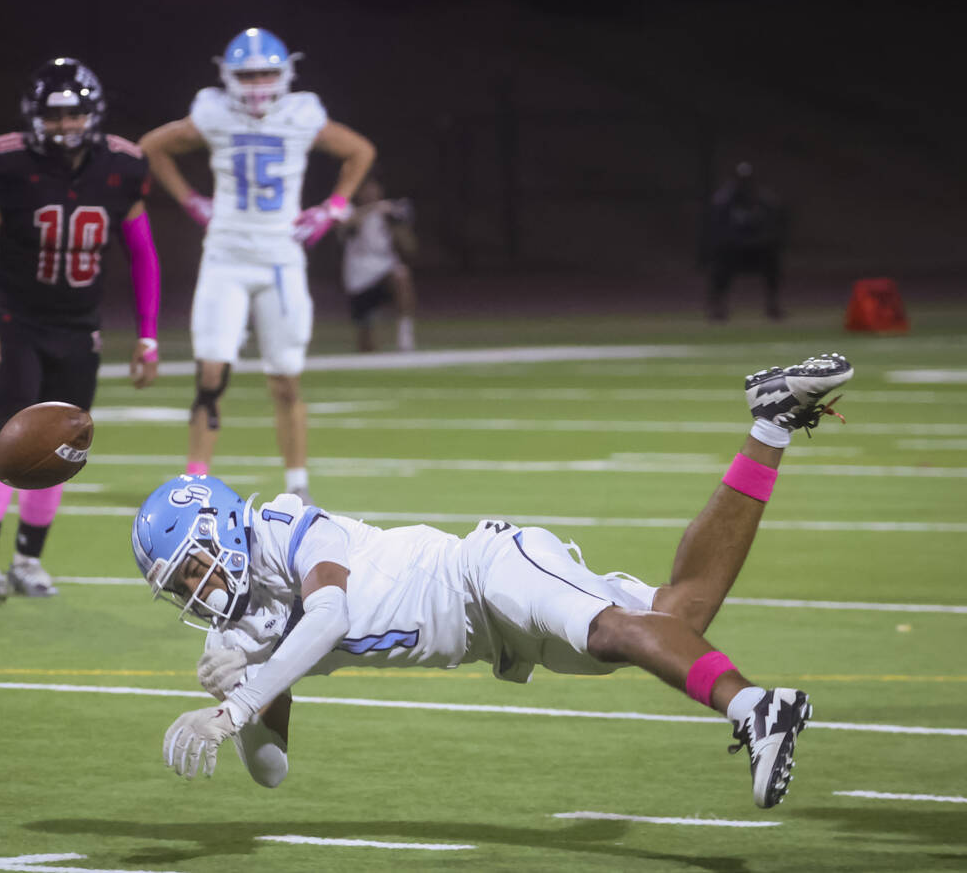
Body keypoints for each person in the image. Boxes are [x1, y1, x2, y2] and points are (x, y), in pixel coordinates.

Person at [132, 353, 855, 809]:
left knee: (612, 630)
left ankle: (759, 708)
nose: (196, 590)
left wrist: (240, 701)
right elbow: (272, 774)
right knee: (675, 619)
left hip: (484, 569)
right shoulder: (238, 634)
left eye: (193, 566)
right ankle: (771, 425)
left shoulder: (286, 526)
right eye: (179, 585)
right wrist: (245, 693)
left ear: (224, 526)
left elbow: (327, 615)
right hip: (493, 643)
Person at [0, 57, 163, 601]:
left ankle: (28, 560)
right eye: (54, 115)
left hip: (78, 325)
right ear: (34, 117)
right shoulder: (7, 165)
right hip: (13, 320)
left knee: (64, 446)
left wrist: (148, 333)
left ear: (93, 115)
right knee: (5, 438)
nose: (64, 126)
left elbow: (142, 255)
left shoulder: (122, 167)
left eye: (74, 115)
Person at [139, 27, 376, 505]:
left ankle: (298, 486)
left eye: (266, 72)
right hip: (225, 254)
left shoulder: (301, 114)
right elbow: (151, 146)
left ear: (284, 73)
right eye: (247, 75)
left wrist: (333, 207)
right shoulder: (213, 113)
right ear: (229, 77)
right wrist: (190, 201)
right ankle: (196, 484)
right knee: (210, 375)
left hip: (280, 261)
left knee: (285, 380)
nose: (257, 84)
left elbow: (359, 151)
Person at [338, 170, 418, 352]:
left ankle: (405, 334)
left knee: (401, 276)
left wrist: (400, 224)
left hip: (384, 269)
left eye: (374, 189)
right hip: (358, 278)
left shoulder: (388, 214)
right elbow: (347, 226)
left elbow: (410, 247)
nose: (371, 193)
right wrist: (376, 207)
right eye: (366, 190)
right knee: (366, 345)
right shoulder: (349, 209)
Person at [702, 162, 788, 322]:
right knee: (720, 266)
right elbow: (718, 227)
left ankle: (773, 304)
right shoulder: (724, 200)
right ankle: (718, 306)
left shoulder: (763, 199)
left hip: (756, 248)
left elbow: (773, 223)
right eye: (741, 179)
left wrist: (760, 240)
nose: (744, 183)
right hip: (732, 249)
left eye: (747, 179)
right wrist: (734, 242)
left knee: (772, 261)